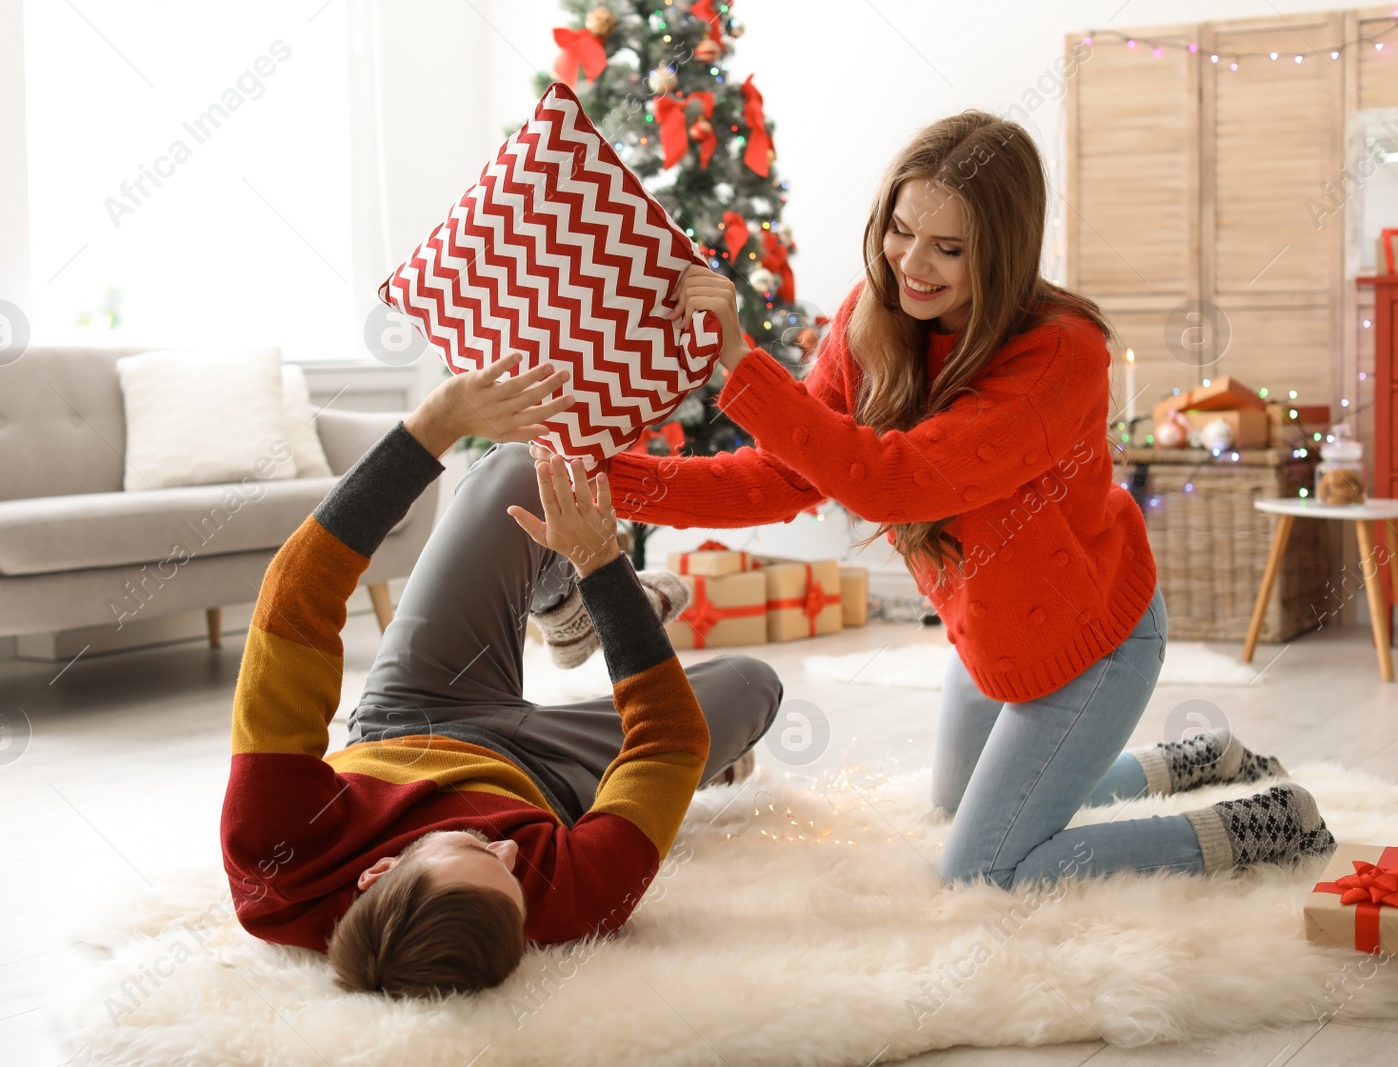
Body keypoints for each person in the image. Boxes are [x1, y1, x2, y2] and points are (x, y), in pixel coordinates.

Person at [607, 109, 1334, 891]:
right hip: (992, 634)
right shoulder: (871, 318)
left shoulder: (1062, 353)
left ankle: (1262, 822)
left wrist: (740, 363)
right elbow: (784, 475)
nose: (911, 264)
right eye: (901, 230)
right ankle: (1188, 761)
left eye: (949, 248)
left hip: (1094, 642)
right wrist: (609, 477)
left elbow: (896, 478)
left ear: (1003, 250)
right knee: (957, 801)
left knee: (984, 872)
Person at [219, 352, 781, 997]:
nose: (511, 851)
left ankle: (567, 613)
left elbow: (293, 602)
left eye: (476, 853)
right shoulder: (570, 901)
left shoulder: (273, 857)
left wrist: (434, 424)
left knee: (519, 469)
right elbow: (670, 743)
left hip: (414, 715)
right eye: (514, 883)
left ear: (377, 872)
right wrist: (602, 567)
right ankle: (584, 602)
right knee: (751, 682)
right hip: (553, 776)